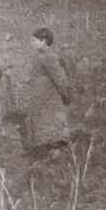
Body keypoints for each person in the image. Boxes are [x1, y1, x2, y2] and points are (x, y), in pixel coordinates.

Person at [23, 27, 73, 158]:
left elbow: (59, 77)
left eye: (34, 40)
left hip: (49, 96)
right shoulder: (38, 56)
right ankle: (42, 150)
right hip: (39, 95)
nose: (32, 43)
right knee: (39, 120)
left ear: (44, 41)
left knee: (51, 121)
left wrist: (65, 94)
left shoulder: (49, 57)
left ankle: (55, 153)